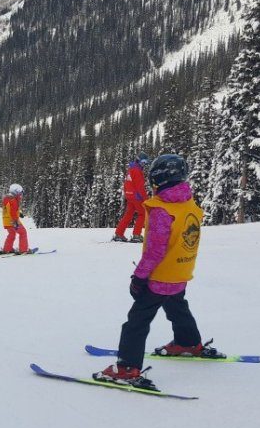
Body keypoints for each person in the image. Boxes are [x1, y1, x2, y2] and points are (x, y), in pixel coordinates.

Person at [94, 155, 222, 391]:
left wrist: (139, 277)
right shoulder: (190, 205)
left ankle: (127, 368)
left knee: (137, 321)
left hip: (160, 276)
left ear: (159, 179)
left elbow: (154, 250)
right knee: (177, 307)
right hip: (181, 272)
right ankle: (188, 342)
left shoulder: (162, 210)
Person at [112, 153, 151, 243]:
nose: (144, 164)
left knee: (128, 215)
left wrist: (127, 193)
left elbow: (126, 183)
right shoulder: (137, 171)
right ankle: (136, 235)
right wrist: (145, 199)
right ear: (138, 160)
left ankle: (119, 234)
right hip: (136, 196)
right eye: (143, 161)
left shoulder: (131, 169)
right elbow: (140, 186)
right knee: (142, 214)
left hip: (130, 196)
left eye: (145, 162)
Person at [0, 183, 30, 255]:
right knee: (23, 232)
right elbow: (12, 211)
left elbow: (9, 209)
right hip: (13, 221)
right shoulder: (13, 200)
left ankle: (7, 249)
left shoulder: (6, 199)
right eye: (20, 193)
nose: (21, 195)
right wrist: (15, 221)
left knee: (12, 234)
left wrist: (19, 213)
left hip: (6, 221)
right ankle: (23, 250)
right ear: (16, 192)